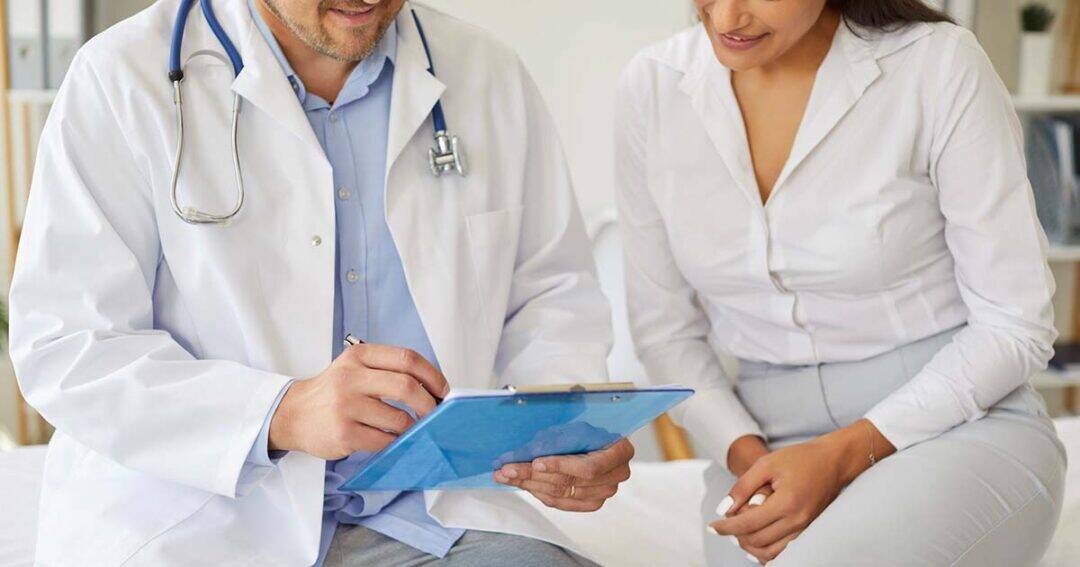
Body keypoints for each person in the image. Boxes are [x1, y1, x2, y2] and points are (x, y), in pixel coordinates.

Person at [9, 0, 634, 564]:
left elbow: (551, 292)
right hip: (201, 518)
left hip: (431, 514)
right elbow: (68, 344)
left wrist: (563, 427)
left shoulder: (485, 72)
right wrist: (277, 414)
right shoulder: (120, 76)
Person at [616, 0, 1067, 565]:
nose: (726, 18)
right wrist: (750, 459)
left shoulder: (934, 64)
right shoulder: (654, 86)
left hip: (951, 424)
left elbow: (1015, 324)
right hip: (762, 443)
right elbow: (664, 335)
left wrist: (842, 454)